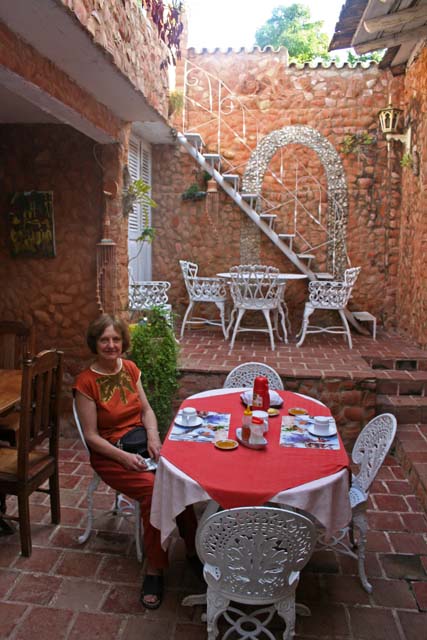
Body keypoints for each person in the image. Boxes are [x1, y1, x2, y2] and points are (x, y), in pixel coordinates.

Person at [74, 314, 198, 609]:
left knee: (178, 477)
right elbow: (91, 437)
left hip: (141, 444)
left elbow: (147, 411)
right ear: (95, 343)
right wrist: (124, 458)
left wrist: (154, 437)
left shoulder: (129, 369)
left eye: (116, 339)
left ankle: (195, 549)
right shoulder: (85, 383)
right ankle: (155, 569)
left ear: (123, 342)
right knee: (155, 491)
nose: (111, 344)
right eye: (104, 339)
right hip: (110, 454)